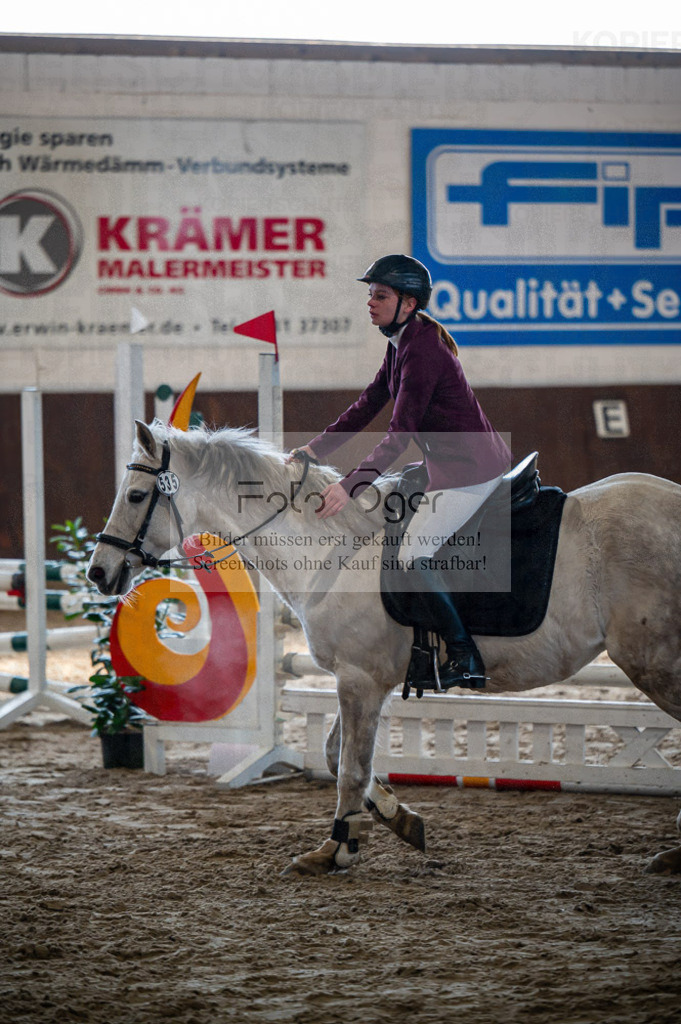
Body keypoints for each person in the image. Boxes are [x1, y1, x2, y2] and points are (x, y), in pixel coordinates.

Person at [289, 254, 512, 686]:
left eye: (380, 296)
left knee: (414, 554)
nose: (370, 302)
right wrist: (313, 450)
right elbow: (367, 404)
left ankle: (464, 653)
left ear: (408, 303)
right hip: (446, 462)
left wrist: (350, 486)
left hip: (472, 470)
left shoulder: (422, 351)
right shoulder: (402, 341)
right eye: (371, 294)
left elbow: (398, 435)